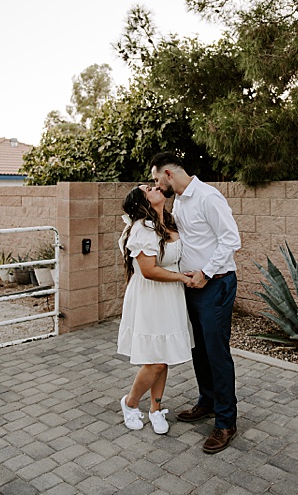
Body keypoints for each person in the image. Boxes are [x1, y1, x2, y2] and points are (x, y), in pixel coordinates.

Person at [150, 152, 242, 454]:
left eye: (155, 180)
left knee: (216, 352)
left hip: (215, 284)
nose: (156, 185)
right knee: (198, 348)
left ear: (167, 173)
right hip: (191, 285)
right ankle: (208, 402)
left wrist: (205, 273)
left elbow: (231, 239)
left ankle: (227, 422)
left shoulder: (207, 197)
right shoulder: (179, 200)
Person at [117, 184, 194, 435]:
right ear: (143, 202)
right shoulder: (142, 228)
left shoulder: (169, 221)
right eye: (148, 188)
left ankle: (155, 408)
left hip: (170, 297)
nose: (156, 187)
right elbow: (149, 271)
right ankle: (130, 403)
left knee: (165, 356)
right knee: (156, 361)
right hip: (151, 297)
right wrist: (182, 278)